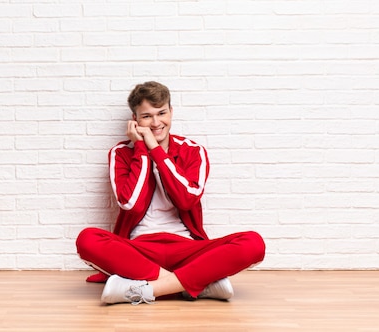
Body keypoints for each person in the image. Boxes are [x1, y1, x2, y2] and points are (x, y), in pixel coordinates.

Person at [76, 81, 266, 305]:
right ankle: (198, 284)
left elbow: (186, 200)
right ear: (135, 119)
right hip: (139, 249)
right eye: (147, 116)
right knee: (87, 239)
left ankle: (145, 289)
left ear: (171, 112)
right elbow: (131, 204)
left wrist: (156, 150)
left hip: (187, 249)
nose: (156, 123)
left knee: (253, 243)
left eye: (162, 113)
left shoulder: (193, 151)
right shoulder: (121, 153)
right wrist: (141, 149)